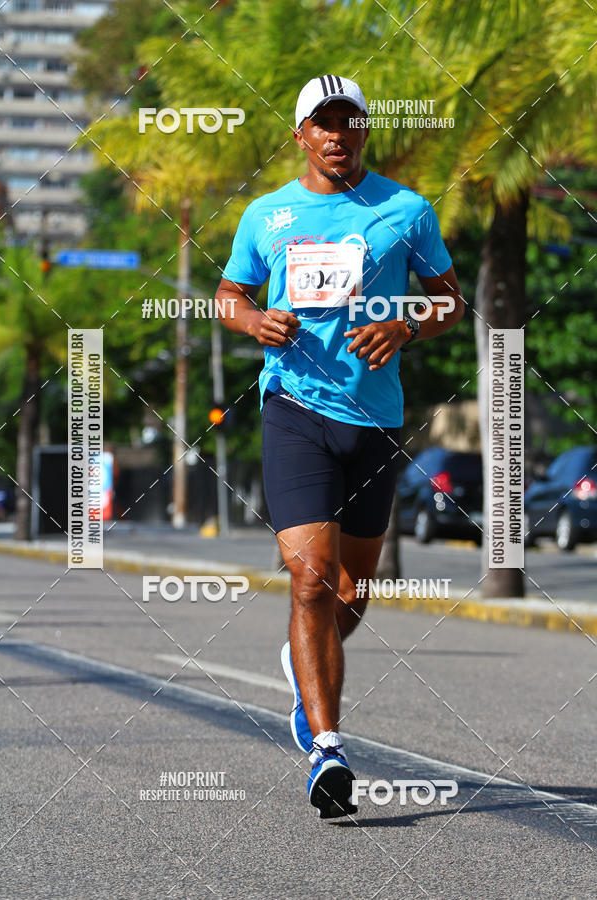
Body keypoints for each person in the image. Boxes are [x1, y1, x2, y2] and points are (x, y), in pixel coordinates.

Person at [215, 75, 465, 818]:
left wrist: (408, 325)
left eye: (350, 122)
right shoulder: (267, 214)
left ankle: (302, 660)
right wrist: (250, 321)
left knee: (351, 594)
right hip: (294, 412)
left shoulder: (405, 209)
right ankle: (327, 748)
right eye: (323, 124)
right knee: (312, 581)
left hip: (376, 423)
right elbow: (229, 295)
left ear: (363, 131)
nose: (337, 135)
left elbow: (451, 298)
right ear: (301, 135)